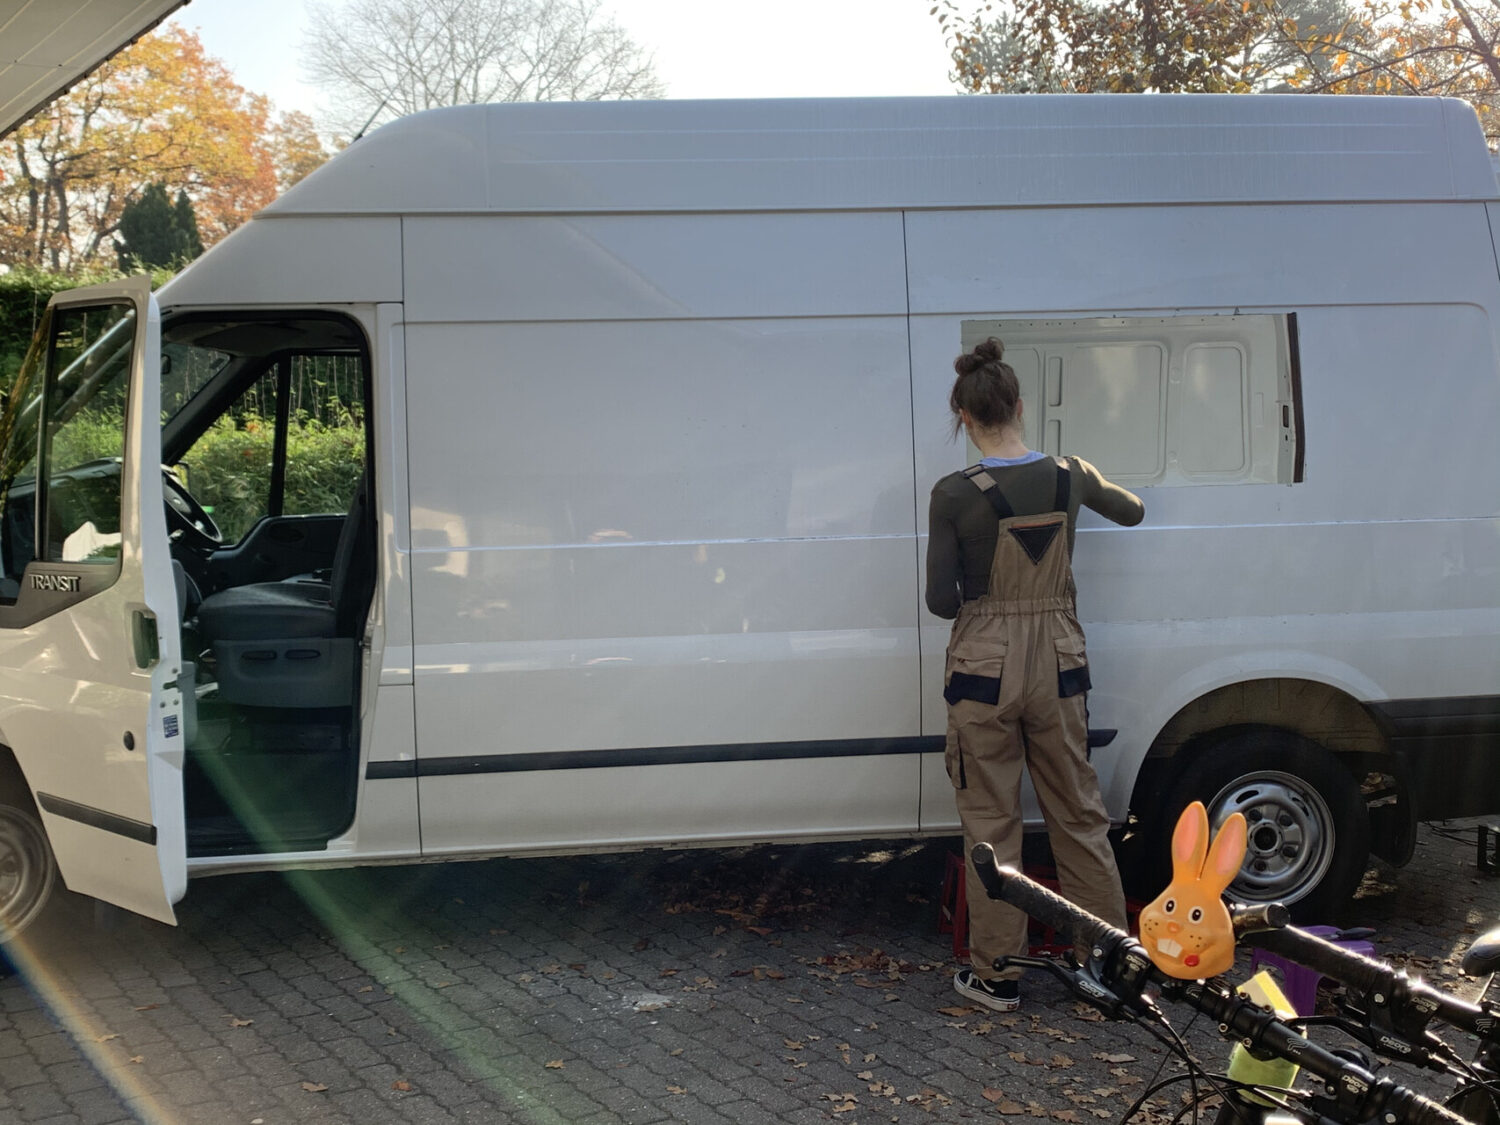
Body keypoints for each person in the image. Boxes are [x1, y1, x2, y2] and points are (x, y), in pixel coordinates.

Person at [927, 337, 1144, 1013]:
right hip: (1058, 661)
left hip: (984, 668)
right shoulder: (1070, 474)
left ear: (964, 417)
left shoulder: (953, 493)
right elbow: (1133, 510)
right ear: (1020, 405)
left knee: (991, 823)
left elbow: (939, 601)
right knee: (1078, 814)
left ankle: (997, 976)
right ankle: (1105, 967)